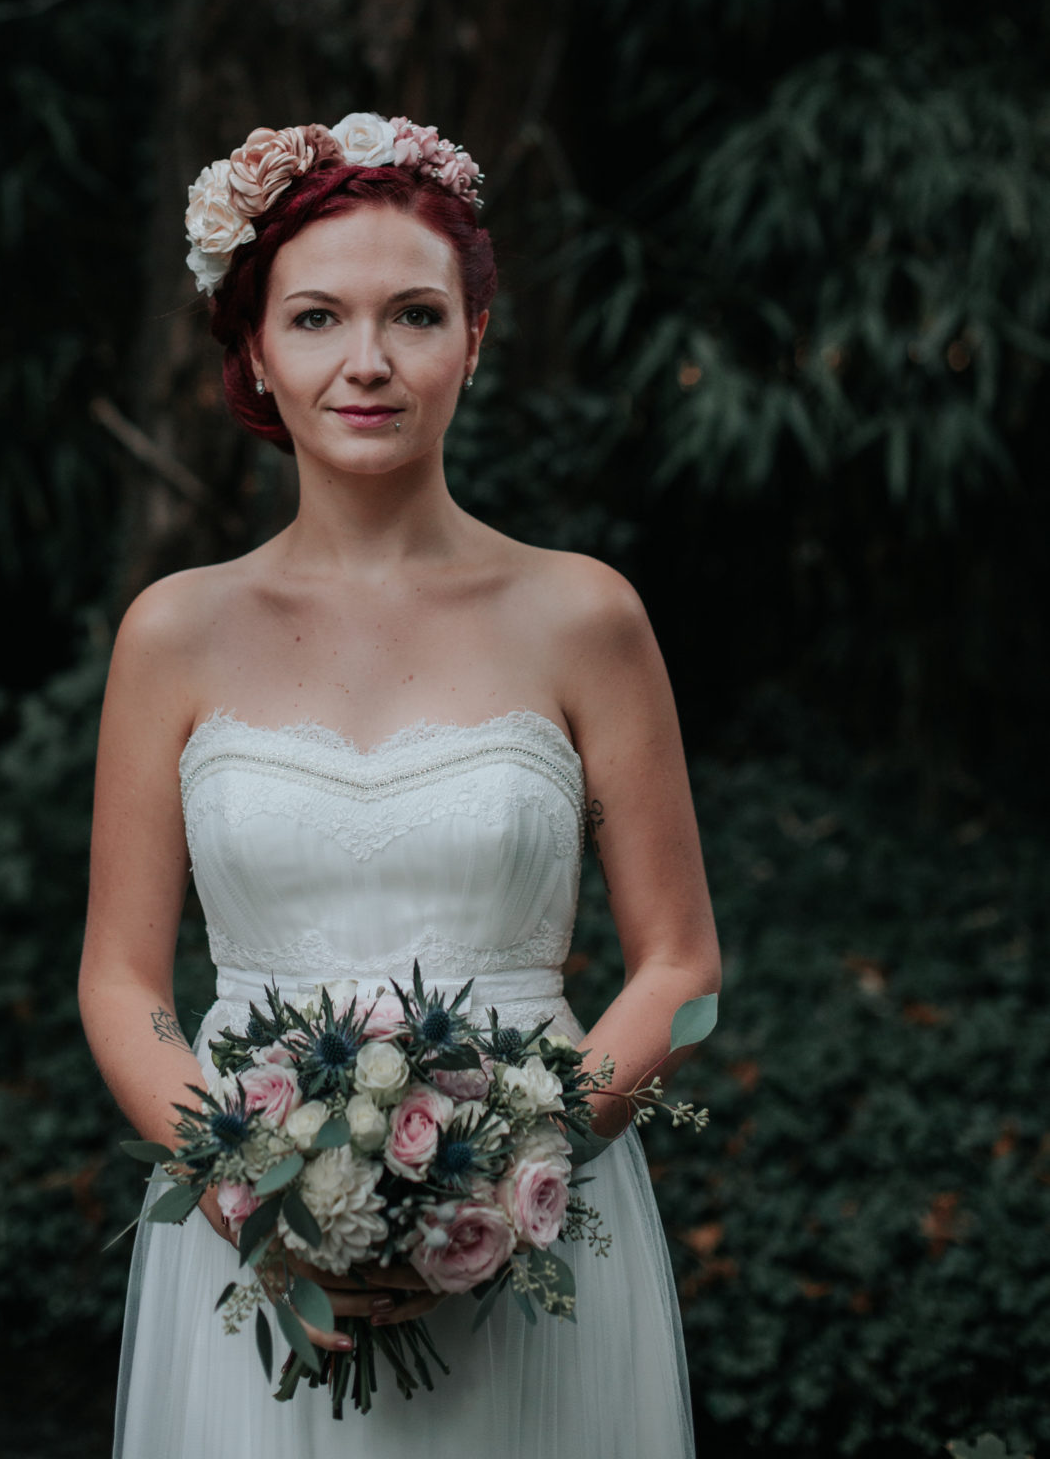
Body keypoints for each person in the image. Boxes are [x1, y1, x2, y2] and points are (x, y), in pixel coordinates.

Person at [79, 111, 721, 1458]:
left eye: (415, 316)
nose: (366, 362)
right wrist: (247, 1196)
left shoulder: (584, 617)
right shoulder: (170, 635)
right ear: (253, 347)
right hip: (250, 1245)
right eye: (316, 319)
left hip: (536, 1246)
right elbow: (121, 982)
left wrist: (505, 1172)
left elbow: (685, 972)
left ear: (472, 342)